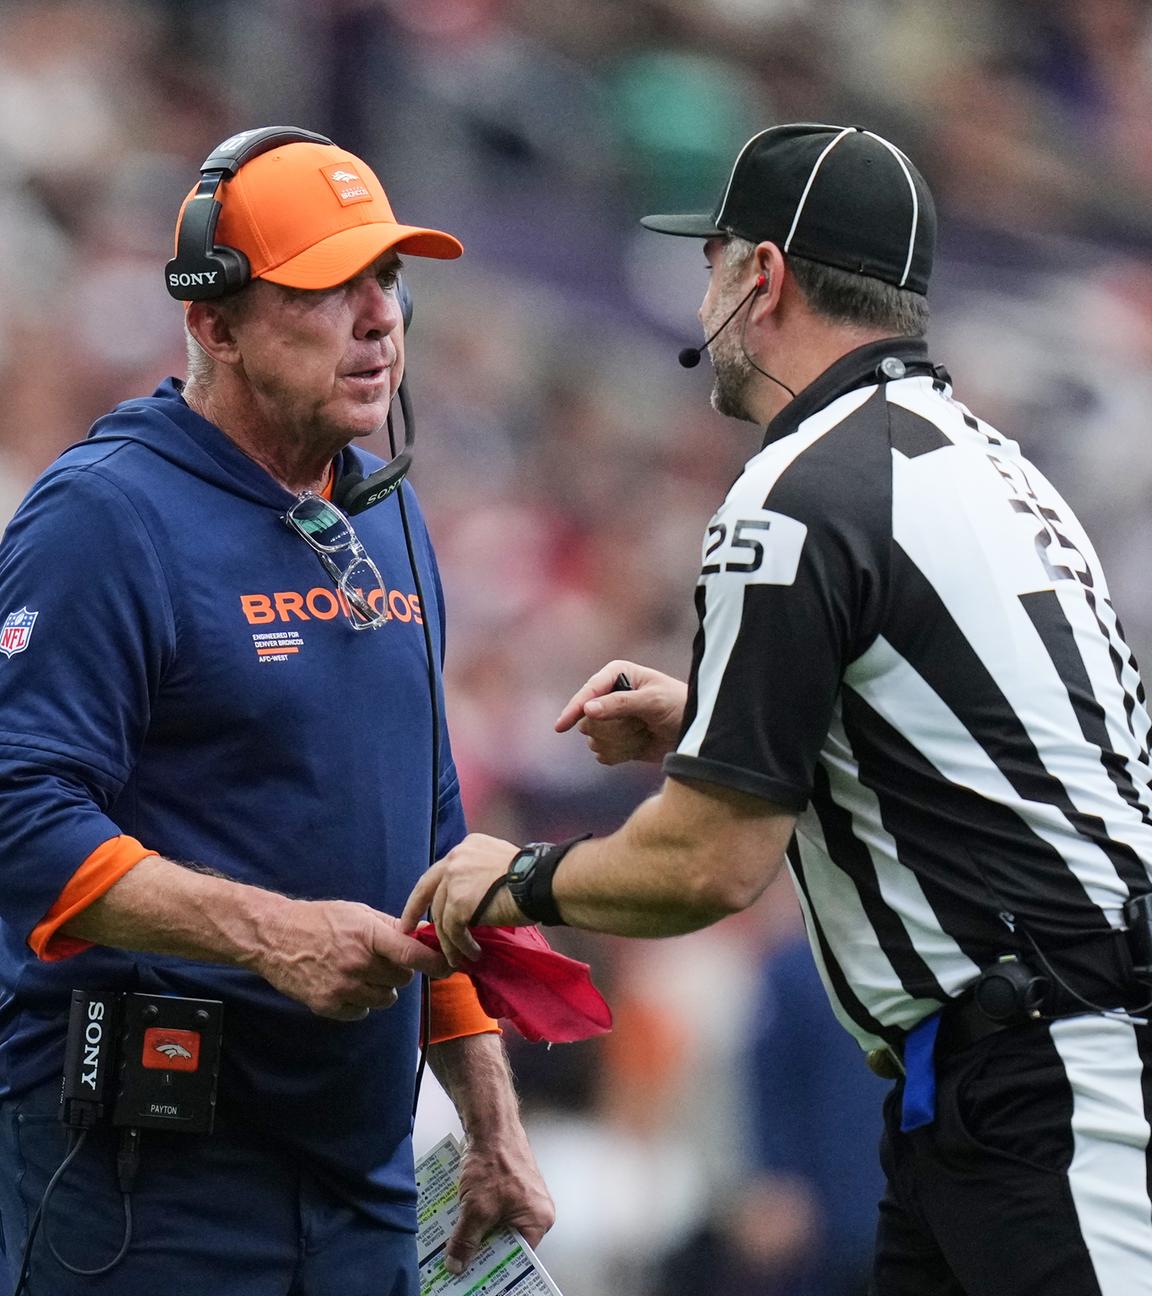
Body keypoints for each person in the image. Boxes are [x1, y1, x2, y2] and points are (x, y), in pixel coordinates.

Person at [404, 122, 1152, 1295]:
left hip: (1052, 1080)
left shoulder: (797, 488)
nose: (703, 296)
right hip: (1016, 1070)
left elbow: (706, 866)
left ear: (764, 276)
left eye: (712, 261)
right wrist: (724, 710)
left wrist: (512, 877)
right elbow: (983, 733)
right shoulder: (996, 466)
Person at [0, 127, 552, 1296]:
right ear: (214, 322)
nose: (380, 318)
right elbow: (18, 819)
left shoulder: (389, 517)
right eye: (325, 287)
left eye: (389, 278)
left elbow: (431, 839)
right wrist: (271, 933)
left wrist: (489, 1116)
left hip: (360, 1184)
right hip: (146, 1182)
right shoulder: (104, 518)